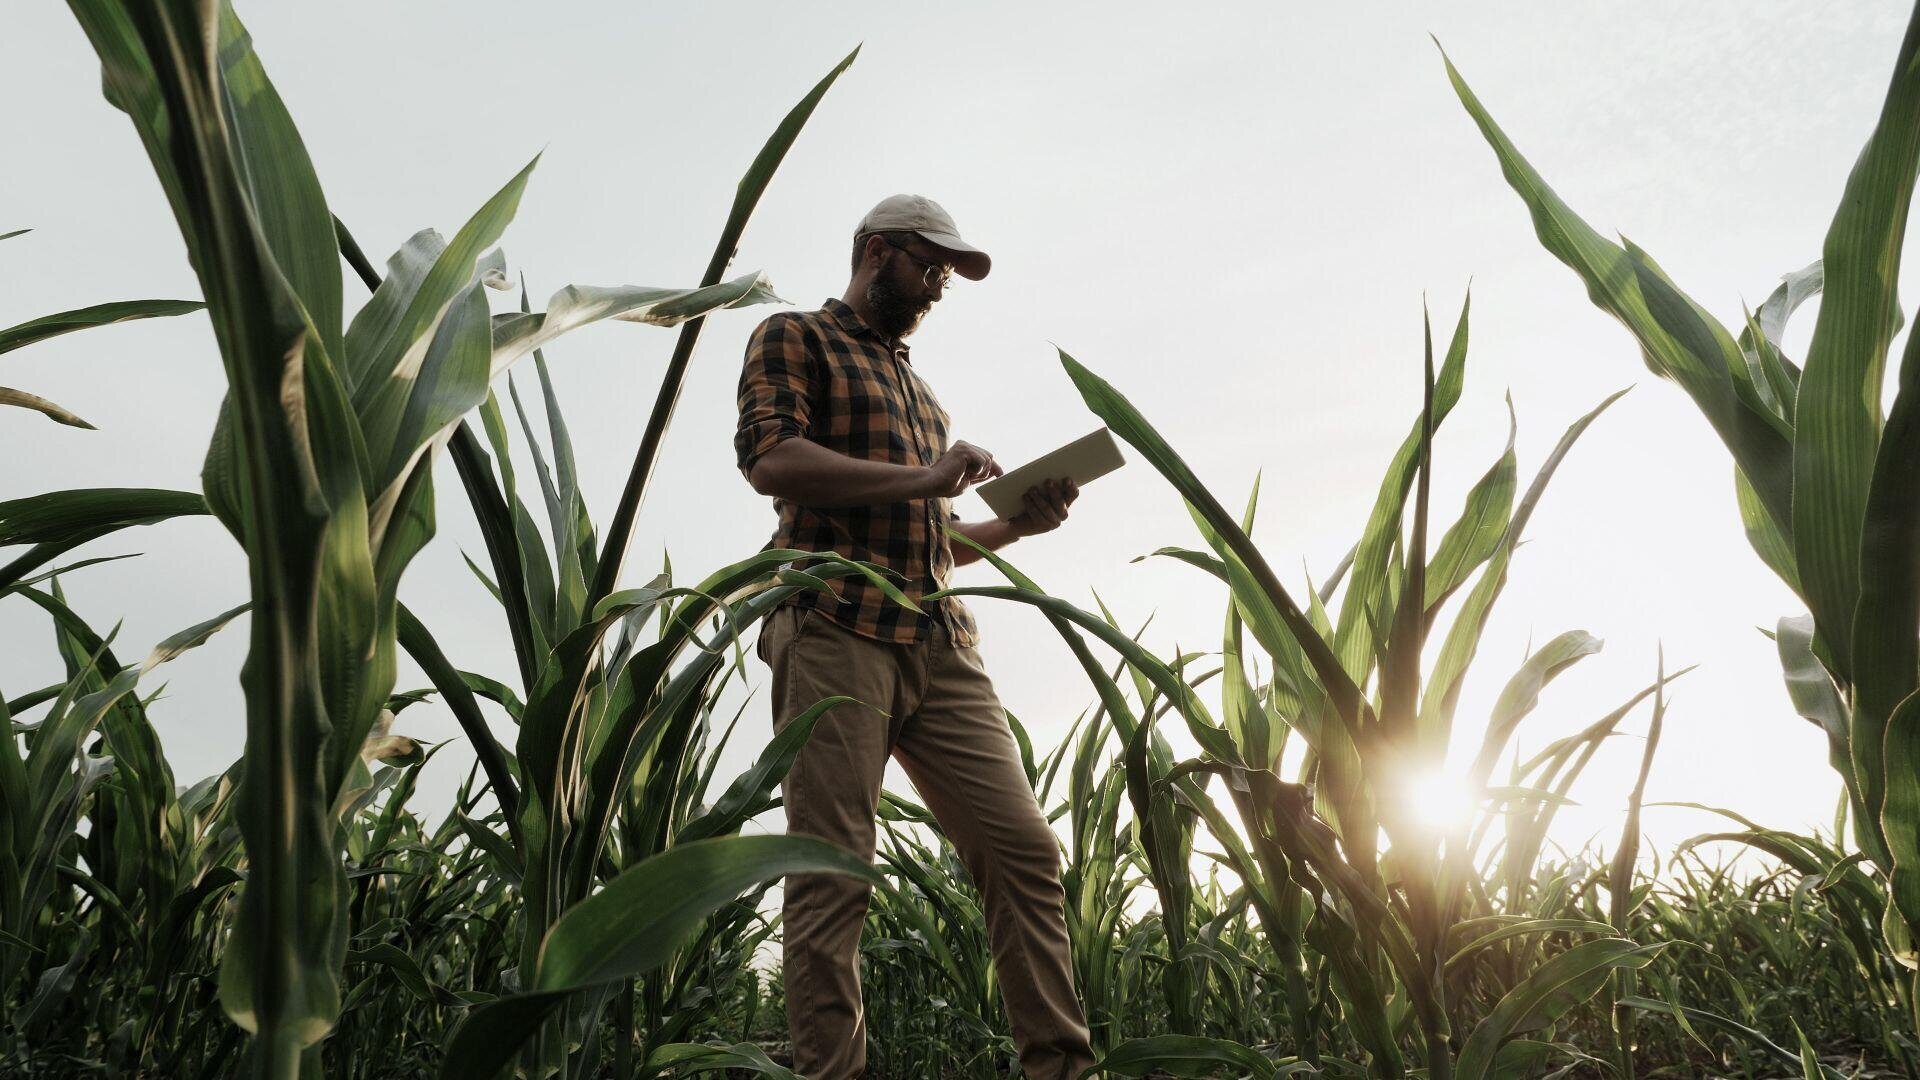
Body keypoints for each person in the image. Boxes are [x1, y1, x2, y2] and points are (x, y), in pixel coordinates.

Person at [734, 194, 1095, 1080]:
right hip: (834, 627)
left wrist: (1016, 526)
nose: (937, 286)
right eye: (928, 265)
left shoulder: (922, 396)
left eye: (947, 274)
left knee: (1023, 850)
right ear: (873, 250)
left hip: (939, 638)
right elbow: (769, 459)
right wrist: (926, 476)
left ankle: (1060, 1067)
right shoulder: (794, 337)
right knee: (832, 871)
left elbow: (934, 536)